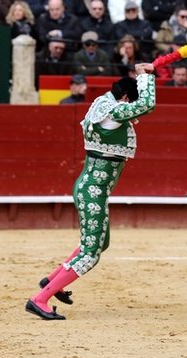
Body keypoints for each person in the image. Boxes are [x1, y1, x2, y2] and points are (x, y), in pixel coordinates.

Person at [25, 62, 157, 320]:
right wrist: (145, 76)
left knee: (99, 242)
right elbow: (146, 105)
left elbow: (138, 106)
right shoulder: (113, 112)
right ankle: (39, 299)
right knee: (91, 252)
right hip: (93, 192)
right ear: (126, 97)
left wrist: (141, 77)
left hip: (89, 188)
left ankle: (51, 282)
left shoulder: (102, 103)